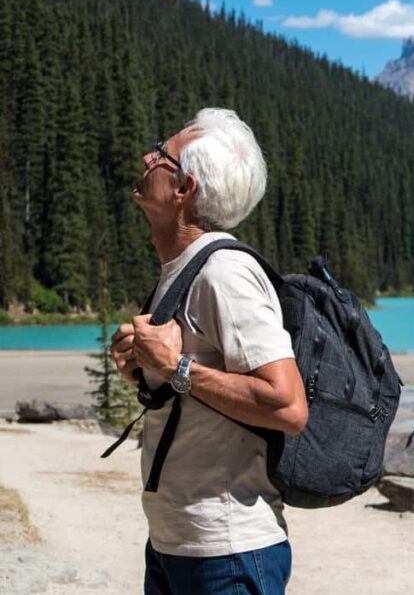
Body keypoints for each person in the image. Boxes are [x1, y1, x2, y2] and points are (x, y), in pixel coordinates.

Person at [110, 108, 308, 594]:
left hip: (228, 551)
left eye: (160, 154)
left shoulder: (225, 272)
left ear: (184, 189)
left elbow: (287, 405)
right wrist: (142, 372)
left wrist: (173, 367)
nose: (145, 158)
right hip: (176, 542)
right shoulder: (183, 268)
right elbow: (197, 392)